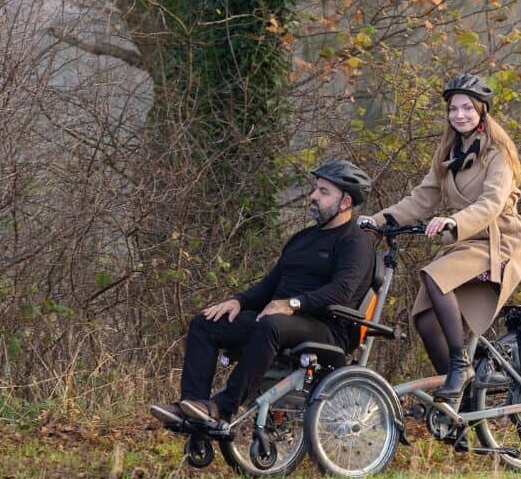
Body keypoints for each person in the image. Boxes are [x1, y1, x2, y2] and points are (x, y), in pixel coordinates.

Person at [150, 160, 376, 425]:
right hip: (279, 321)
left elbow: (342, 291)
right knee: (205, 323)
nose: (313, 196)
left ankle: (223, 408)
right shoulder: (301, 239)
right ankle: (193, 409)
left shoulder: (355, 243)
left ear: (346, 201)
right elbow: (270, 284)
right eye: (316, 189)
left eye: (324, 192)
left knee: (271, 324)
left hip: (328, 328)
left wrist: (293, 304)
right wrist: (238, 301)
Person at [359, 73, 521, 402]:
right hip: (466, 240)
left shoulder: (498, 155)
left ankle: (460, 365)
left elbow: (491, 203)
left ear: (482, 112)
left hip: (499, 241)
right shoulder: (448, 153)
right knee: (423, 318)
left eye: (467, 108)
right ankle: (460, 401)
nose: (459, 115)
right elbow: (421, 199)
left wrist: (453, 220)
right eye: (453, 109)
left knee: (435, 278)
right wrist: (373, 222)